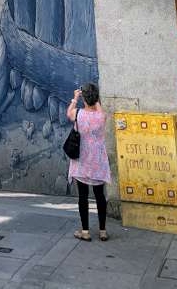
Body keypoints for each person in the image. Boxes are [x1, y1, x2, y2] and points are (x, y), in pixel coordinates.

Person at [67, 82, 111, 241]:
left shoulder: (78, 114)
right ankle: (103, 230)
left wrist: (75, 98)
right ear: (96, 98)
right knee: (100, 196)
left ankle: (85, 231)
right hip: (98, 162)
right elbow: (99, 109)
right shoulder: (101, 117)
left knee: (83, 197)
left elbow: (69, 113)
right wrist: (95, 100)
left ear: (84, 99)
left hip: (82, 161)